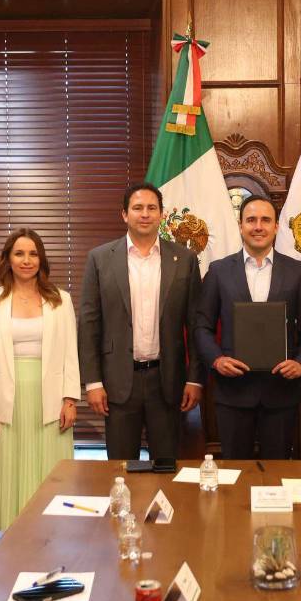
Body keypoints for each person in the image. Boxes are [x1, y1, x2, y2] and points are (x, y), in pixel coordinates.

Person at [78, 182, 203, 460]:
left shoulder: (184, 259)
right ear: (124, 214)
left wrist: (195, 379)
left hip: (167, 381)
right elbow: (89, 324)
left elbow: (195, 324)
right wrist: (93, 382)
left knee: (166, 467)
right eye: (137, 208)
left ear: (161, 214)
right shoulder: (100, 259)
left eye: (151, 208)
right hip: (118, 383)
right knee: (121, 468)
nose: (144, 214)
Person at [194, 196, 301, 458]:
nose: (258, 226)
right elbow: (202, 327)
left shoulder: (297, 272)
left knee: (276, 472)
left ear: (276, 227)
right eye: (251, 220)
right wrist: (216, 360)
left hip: (281, 391)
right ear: (240, 226)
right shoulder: (218, 271)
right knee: (235, 472)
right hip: (233, 392)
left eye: (265, 220)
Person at [0, 229, 80, 530]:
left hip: (50, 398)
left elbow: (70, 352)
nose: (26, 260)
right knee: (9, 468)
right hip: (5, 400)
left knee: (49, 470)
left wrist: (70, 400)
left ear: (41, 259)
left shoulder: (61, 300)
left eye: (33, 254)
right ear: (8, 259)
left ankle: (48, 534)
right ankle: (13, 537)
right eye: (19, 253)